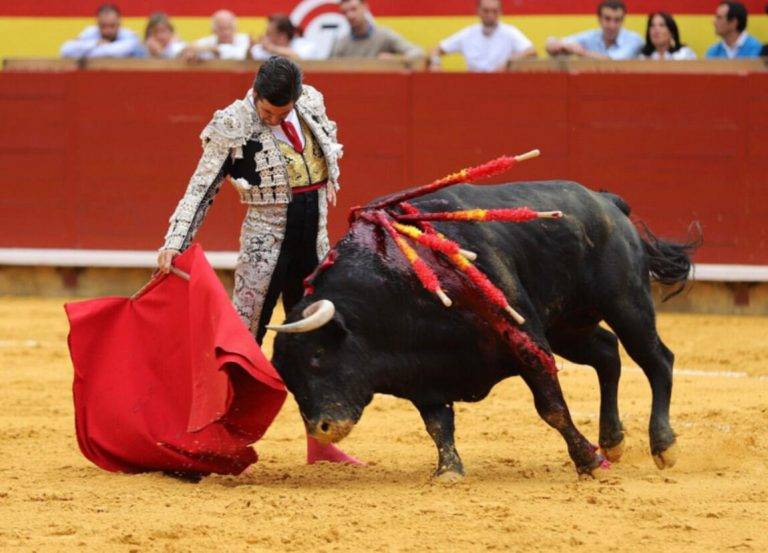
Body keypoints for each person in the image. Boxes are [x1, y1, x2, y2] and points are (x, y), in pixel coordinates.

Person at [157, 57, 359, 465]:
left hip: (313, 242)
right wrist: (175, 241)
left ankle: (318, 442)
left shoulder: (311, 106)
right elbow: (202, 187)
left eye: (280, 113)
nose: (271, 118)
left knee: (316, 341)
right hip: (264, 247)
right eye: (266, 111)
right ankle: (217, 437)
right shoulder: (233, 123)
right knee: (242, 342)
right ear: (255, 92)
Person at [430, 0, 536, 72]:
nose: (490, 15)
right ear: (478, 11)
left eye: (494, 11)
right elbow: (436, 50)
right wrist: (435, 64)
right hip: (473, 86)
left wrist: (509, 61)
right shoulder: (468, 34)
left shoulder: (510, 32)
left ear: (500, 12)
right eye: (486, 11)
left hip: (501, 84)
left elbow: (531, 51)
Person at [545, 0, 643, 60]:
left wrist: (582, 52)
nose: (612, 25)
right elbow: (551, 45)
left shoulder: (634, 39)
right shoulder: (592, 36)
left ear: (623, 21)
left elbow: (613, 63)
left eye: (617, 20)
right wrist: (557, 45)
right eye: (607, 19)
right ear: (599, 19)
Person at [330, 0, 424, 61]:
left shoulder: (384, 35)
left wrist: (395, 60)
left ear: (365, 7)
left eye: (353, 9)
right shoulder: (341, 44)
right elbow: (330, 70)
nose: (350, 15)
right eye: (345, 12)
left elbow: (418, 53)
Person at [60, 4, 143, 59]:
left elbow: (111, 53)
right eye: (103, 26)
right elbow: (65, 50)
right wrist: (95, 43)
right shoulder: (90, 32)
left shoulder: (129, 36)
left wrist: (86, 52)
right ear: (97, 24)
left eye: (112, 26)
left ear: (119, 23)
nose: (108, 30)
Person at [183, 10, 250, 61]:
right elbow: (189, 47)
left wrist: (214, 49)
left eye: (229, 28)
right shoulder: (211, 40)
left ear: (235, 29)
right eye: (221, 29)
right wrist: (192, 53)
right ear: (213, 30)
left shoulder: (244, 39)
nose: (225, 32)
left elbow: (240, 55)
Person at [250, 14, 320, 61]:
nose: (265, 36)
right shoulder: (263, 49)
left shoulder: (306, 46)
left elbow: (301, 59)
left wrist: (273, 48)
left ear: (282, 36)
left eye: (269, 34)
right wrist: (249, 50)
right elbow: (250, 61)